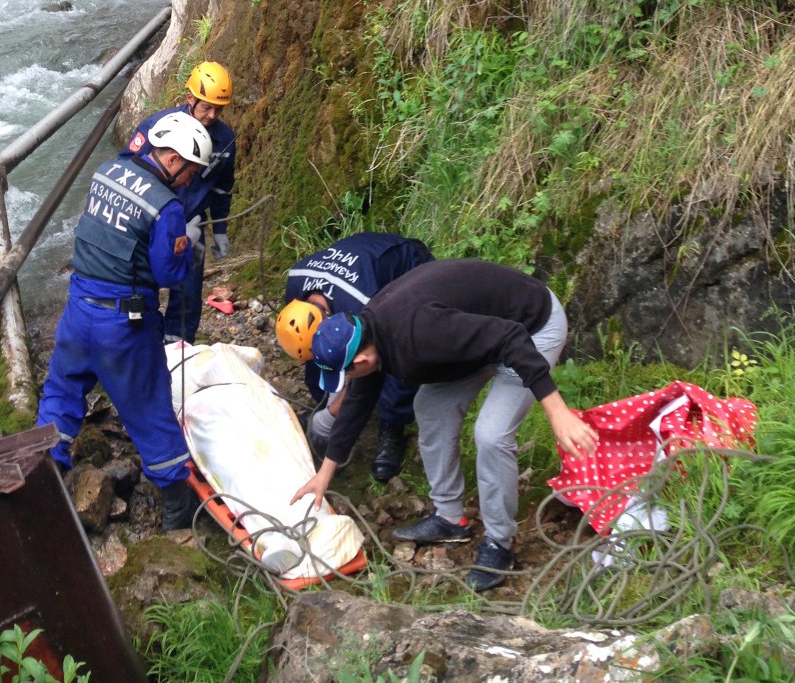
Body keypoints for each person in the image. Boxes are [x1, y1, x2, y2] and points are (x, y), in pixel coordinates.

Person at [290, 259, 599, 591]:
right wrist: (325, 473)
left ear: (361, 360)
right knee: (431, 405)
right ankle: (450, 518)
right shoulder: (368, 332)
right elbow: (358, 403)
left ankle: (500, 544)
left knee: (491, 434)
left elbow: (509, 338)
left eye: (346, 373)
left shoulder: (419, 332)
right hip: (483, 334)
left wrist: (558, 413)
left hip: (531, 327)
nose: (348, 381)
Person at [37, 112, 213, 532]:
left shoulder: (105, 172)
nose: (191, 181)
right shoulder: (165, 206)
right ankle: (175, 504)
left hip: (78, 311)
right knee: (149, 406)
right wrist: (188, 248)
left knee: (61, 392)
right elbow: (169, 274)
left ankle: (47, 479)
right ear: (173, 160)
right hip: (123, 327)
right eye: (191, 171)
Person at [275, 233, 434, 482]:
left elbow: (364, 366)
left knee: (393, 357)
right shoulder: (296, 281)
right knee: (321, 371)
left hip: (403, 262)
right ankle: (326, 405)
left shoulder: (365, 304)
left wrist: (332, 416)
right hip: (361, 262)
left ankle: (393, 426)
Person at [120, 61, 236, 344]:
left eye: (218, 109)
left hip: (192, 224)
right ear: (189, 98)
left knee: (188, 290)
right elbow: (127, 166)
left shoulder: (224, 140)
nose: (212, 115)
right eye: (206, 106)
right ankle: (136, 338)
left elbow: (222, 187)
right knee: (142, 281)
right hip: (151, 221)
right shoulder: (159, 127)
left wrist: (219, 229)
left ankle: (179, 344)